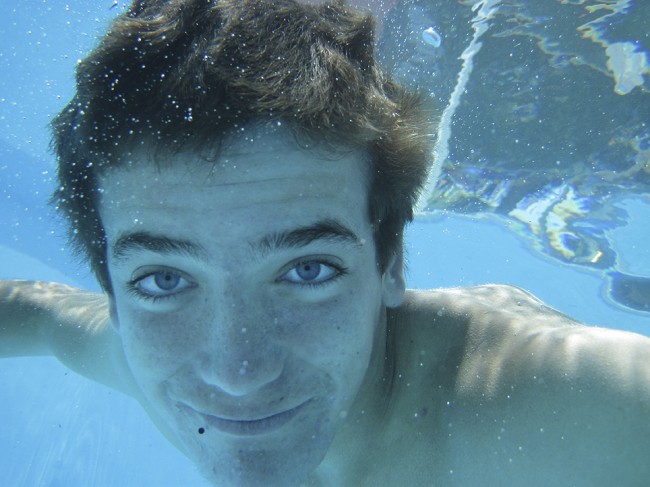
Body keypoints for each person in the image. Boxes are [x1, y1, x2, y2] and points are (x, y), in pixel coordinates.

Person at [1, 1, 649, 485]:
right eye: (164, 279)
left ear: (390, 260)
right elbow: (33, 312)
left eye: (307, 269)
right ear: (113, 295)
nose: (237, 373)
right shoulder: (138, 355)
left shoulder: (567, 410)